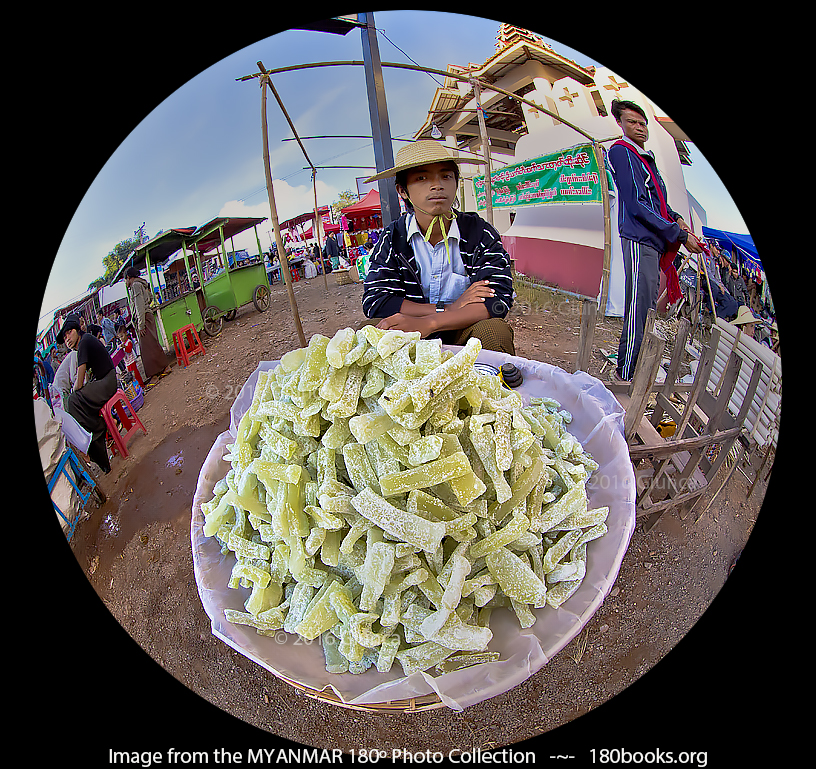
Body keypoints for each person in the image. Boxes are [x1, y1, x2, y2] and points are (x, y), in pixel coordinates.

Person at [361, 140, 515, 355]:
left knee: (494, 331)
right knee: (370, 332)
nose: (437, 185)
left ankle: (494, 386)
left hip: (464, 327)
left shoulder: (479, 232)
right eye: (422, 178)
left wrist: (432, 322)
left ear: (456, 182)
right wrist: (448, 307)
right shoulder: (392, 238)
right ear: (402, 190)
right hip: (410, 329)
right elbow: (376, 301)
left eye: (446, 176)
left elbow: (497, 301)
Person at [607, 99, 703, 382]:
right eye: (632, 122)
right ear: (620, 124)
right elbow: (637, 205)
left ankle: (634, 372)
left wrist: (676, 217)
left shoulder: (644, 158)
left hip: (652, 240)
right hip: (640, 238)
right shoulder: (622, 153)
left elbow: (657, 203)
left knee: (646, 306)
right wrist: (680, 235)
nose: (639, 128)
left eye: (642, 123)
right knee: (639, 307)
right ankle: (625, 376)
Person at [57, 313, 117, 474]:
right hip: (104, 381)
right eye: (64, 336)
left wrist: (76, 391)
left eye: (69, 332)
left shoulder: (84, 342)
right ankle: (97, 433)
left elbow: (79, 380)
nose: (67, 338)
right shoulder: (84, 342)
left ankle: (98, 432)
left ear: (77, 329)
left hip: (108, 381)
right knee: (76, 404)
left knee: (72, 401)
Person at [125, 266, 171, 383]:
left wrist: (140, 325)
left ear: (129, 278)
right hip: (147, 316)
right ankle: (163, 367)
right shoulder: (143, 285)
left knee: (147, 348)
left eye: (125, 280)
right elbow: (150, 298)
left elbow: (139, 306)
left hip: (144, 318)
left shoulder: (135, 286)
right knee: (153, 343)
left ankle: (156, 373)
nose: (125, 282)